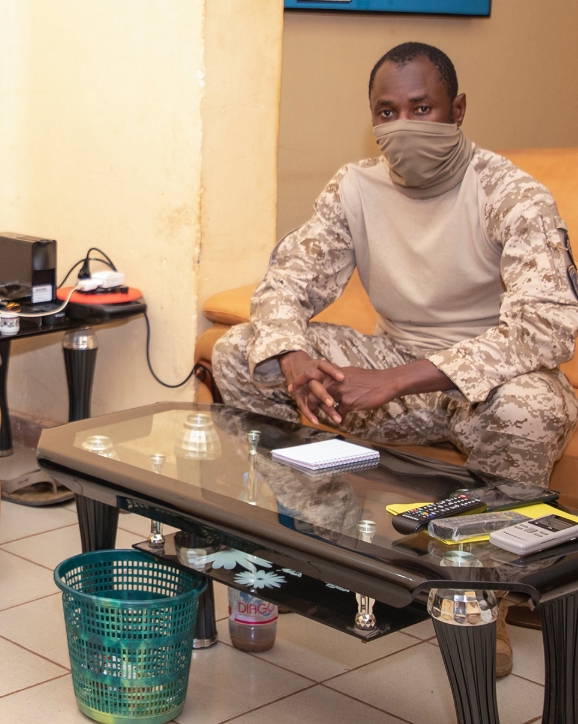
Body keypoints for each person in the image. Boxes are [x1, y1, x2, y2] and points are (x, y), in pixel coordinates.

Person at [212, 41, 578, 676]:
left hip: (481, 382)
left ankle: (478, 601)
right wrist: (296, 356)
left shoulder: (512, 194)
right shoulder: (355, 187)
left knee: (533, 406)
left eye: (421, 107)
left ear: (457, 109)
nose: (402, 126)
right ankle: (329, 545)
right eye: (386, 112)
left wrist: (393, 381)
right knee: (243, 354)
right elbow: (285, 286)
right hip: (392, 365)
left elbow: (548, 328)